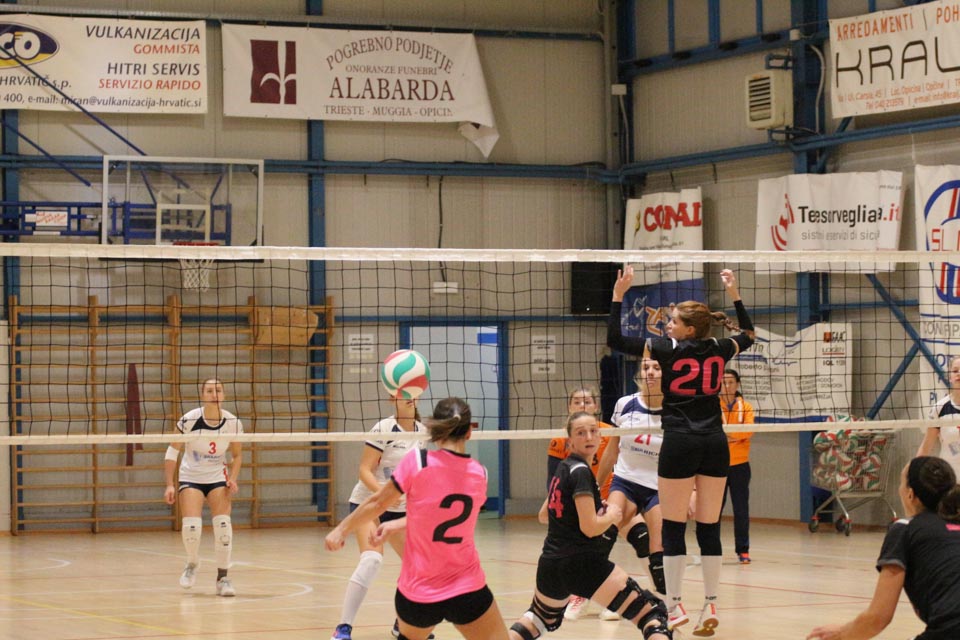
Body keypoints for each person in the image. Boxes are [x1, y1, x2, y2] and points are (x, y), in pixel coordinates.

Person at [608, 266, 755, 636]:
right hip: (715, 444)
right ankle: (711, 602)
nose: (667, 324)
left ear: (689, 329)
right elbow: (749, 334)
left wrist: (618, 296)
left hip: (680, 443)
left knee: (673, 528)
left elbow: (614, 339)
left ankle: (673, 607)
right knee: (709, 527)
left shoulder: (665, 349)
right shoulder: (720, 347)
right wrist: (735, 295)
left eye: (673, 321)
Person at [325, 398, 509, 640]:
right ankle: (344, 625)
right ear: (469, 432)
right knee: (371, 560)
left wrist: (341, 530)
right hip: (466, 588)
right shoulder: (480, 474)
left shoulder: (418, 462)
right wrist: (398, 522)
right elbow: (440, 514)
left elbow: (379, 503)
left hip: (419, 593)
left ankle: (358, 627)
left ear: (434, 432)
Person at [507, 411, 671, 640]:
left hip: (550, 565)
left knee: (537, 619)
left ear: (601, 436)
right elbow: (590, 528)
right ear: (570, 440)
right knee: (652, 615)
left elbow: (544, 515)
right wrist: (611, 515)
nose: (589, 437)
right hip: (584, 565)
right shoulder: (582, 473)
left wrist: (584, 512)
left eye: (593, 431)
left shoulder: (563, 468)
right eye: (581, 433)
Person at [807, 456, 960, 640]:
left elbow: (878, 617)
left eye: (901, 483)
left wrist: (841, 636)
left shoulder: (905, 529)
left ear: (910, 495)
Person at [330, 395, 429, 640]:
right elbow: (364, 470)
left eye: (413, 393)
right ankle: (343, 628)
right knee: (372, 559)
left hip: (400, 509)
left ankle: (402, 624)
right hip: (369, 503)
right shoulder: (383, 428)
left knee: (418, 566)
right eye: (404, 394)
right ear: (393, 398)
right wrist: (383, 494)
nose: (410, 398)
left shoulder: (422, 432)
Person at [163, 377, 243, 597]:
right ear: (202, 395)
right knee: (192, 528)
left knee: (223, 526)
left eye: (218, 390)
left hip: (217, 477)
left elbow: (237, 455)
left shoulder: (233, 423)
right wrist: (169, 485)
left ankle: (223, 578)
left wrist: (233, 478)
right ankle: (192, 563)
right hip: (191, 477)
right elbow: (172, 451)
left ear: (224, 394)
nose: (214, 394)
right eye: (209, 391)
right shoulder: (189, 420)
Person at [546, 386, 619, 621]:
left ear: (596, 406)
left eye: (587, 401)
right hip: (577, 503)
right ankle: (592, 595)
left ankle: (604, 598)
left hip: (607, 497)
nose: (583, 405)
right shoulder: (561, 441)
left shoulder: (608, 433)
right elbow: (553, 481)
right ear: (570, 407)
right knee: (586, 550)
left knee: (633, 538)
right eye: (577, 402)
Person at [597, 357, 666, 595]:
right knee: (605, 533)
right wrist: (596, 487)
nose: (650, 372)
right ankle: (583, 592)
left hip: (658, 486)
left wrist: (693, 490)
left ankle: (670, 604)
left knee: (658, 551)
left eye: (657, 368)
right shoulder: (625, 404)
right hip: (625, 481)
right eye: (646, 368)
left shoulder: (675, 410)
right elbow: (611, 450)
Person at [719, 368, 755, 564]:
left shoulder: (746, 407)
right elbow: (714, 432)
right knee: (714, 510)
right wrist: (734, 436)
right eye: (723, 382)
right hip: (717, 465)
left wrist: (730, 435)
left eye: (731, 382)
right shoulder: (713, 406)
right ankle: (712, 549)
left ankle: (743, 550)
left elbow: (747, 432)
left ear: (737, 384)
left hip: (740, 465)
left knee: (741, 510)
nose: (727, 385)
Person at [918, 355, 960, 479]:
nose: (959, 374)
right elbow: (926, 447)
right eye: (955, 371)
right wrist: (911, 475)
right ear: (950, 377)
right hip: (949, 479)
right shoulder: (940, 407)